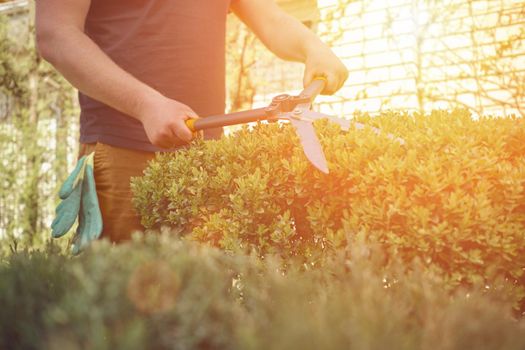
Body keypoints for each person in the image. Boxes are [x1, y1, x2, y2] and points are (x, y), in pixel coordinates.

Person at [36, 0, 349, 245]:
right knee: (122, 319)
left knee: (205, 310)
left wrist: (312, 47)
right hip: (121, 157)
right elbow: (56, 34)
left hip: (207, 164)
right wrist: (146, 105)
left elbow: (270, 17)